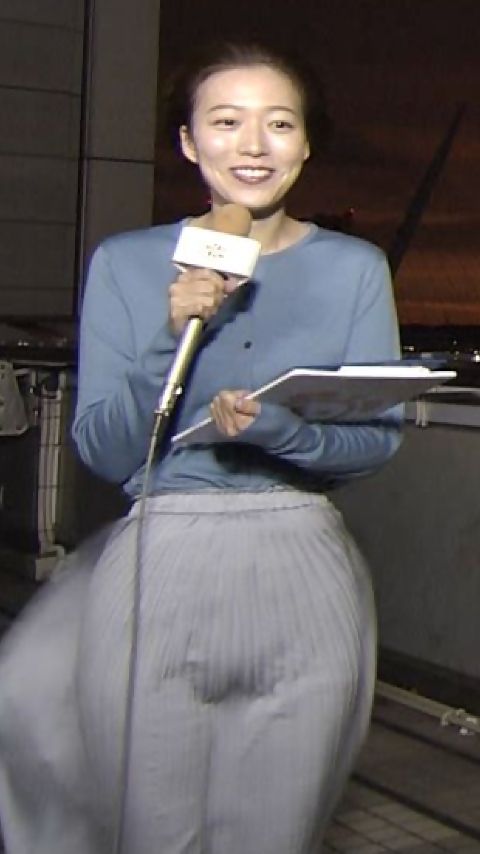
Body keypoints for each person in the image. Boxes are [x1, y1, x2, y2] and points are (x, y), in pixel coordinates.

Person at [0, 40, 403, 854]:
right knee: (151, 832)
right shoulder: (126, 264)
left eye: (278, 123)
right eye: (226, 122)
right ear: (188, 141)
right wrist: (171, 333)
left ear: (306, 144)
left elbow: (375, 441)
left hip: (304, 572)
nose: (253, 145)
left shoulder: (356, 268)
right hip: (160, 562)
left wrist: (277, 429)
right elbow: (105, 451)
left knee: (277, 835)